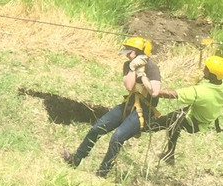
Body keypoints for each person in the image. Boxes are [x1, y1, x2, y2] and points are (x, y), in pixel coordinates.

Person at [62, 37, 162, 178]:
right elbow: (129, 86)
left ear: (141, 52)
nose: (127, 55)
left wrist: (143, 75)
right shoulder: (128, 65)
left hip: (144, 111)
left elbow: (155, 91)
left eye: (130, 52)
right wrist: (133, 68)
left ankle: (102, 173)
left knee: (117, 138)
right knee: (97, 128)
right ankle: (76, 158)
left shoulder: (152, 67)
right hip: (128, 105)